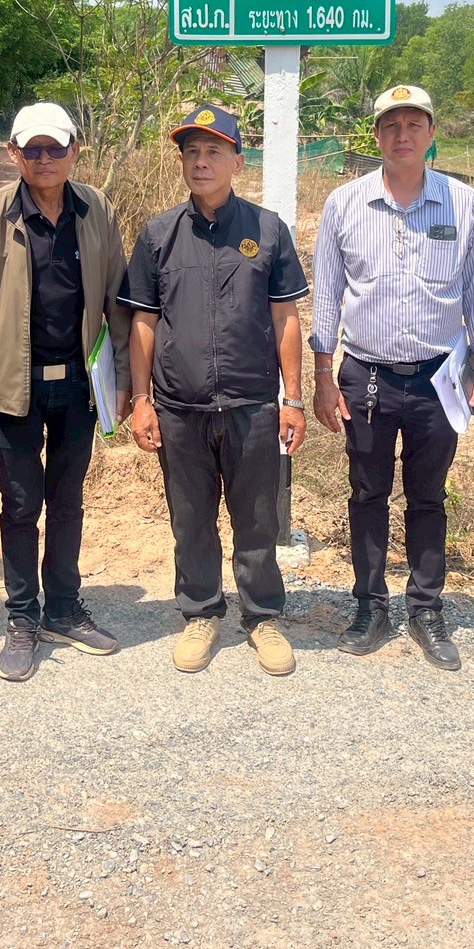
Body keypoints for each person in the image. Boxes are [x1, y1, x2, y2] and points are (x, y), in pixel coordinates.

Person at [311, 84, 474, 669]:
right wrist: (322, 373)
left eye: (414, 124)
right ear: (376, 136)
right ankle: (370, 604)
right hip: (365, 373)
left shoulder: (462, 204)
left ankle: (426, 607)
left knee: (428, 496)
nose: (402, 135)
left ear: (431, 133)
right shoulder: (346, 204)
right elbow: (327, 293)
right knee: (366, 493)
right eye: (390, 125)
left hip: (439, 379)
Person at [119, 105, 309, 677]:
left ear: (236, 160)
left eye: (213, 152)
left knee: (257, 519)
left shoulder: (268, 230)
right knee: (191, 518)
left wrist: (293, 398)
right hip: (180, 407)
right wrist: (142, 400)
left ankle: (263, 617)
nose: (201, 163)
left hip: (253, 404)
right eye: (191, 152)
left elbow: (285, 319)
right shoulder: (158, 234)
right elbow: (144, 323)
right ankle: (201, 613)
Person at [0, 103, 130, 683]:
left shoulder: (96, 208)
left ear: (76, 149)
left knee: (70, 500)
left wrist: (122, 382)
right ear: (15, 154)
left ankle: (62, 608)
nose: (46, 159)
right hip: (14, 390)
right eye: (34, 149)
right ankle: (22, 616)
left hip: (79, 385)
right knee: (21, 504)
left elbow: (116, 302)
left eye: (56, 148)